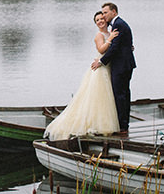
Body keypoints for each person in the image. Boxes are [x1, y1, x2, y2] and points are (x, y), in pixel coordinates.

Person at [44, 11, 121, 140]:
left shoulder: (110, 32)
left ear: (106, 20)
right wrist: (110, 39)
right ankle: (96, 126)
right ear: (95, 23)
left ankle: (104, 124)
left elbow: (115, 49)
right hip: (100, 68)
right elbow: (101, 49)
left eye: (102, 19)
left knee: (106, 98)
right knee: (99, 97)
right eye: (97, 20)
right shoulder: (99, 35)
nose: (100, 21)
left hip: (108, 67)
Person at [91, 2, 136, 134]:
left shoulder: (118, 25)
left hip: (121, 66)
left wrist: (101, 61)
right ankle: (123, 124)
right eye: (101, 14)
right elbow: (123, 43)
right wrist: (128, 48)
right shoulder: (117, 25)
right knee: (123, 94)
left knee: (120, 95)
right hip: (122, 64)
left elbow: (115, 48)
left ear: (114, 12)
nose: (103, 16)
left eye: (105, 13)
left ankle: (122, 126)